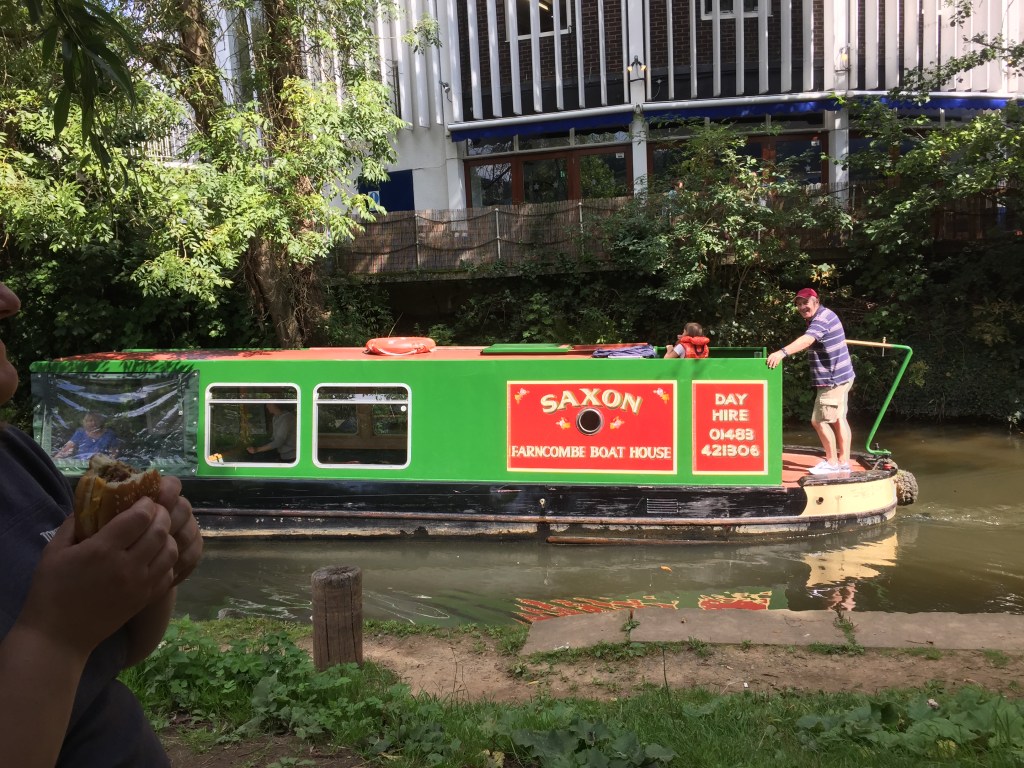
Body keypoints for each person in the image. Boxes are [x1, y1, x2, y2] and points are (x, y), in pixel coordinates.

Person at [0, 279, 203, 767]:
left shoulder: (17, 456)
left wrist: (154, 571)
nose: (9, 300)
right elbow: (67, 641)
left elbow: (113, 654)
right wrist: (54, 636)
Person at [765, 287, 856, 475]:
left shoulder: (822, 319)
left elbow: (807, 340)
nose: (802, 307)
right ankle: (844, 462)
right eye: (798, 304)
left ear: (816, 301)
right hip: (843, 376)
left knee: (818, 420)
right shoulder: (820, 317)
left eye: (805, 302)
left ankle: (832, 463)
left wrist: (782, 353)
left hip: (832, 380)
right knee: (839, 419)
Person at [54, 411, 119, 460]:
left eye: (96, 420)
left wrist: (110, 462)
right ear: (85, 422)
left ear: (101, 421)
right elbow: (68, 447)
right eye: (90, 420)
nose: (93, 423)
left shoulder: (109, 434)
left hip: (100, 466)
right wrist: (55, 459)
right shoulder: (80, 432)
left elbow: (114, 452)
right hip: (81, 464)